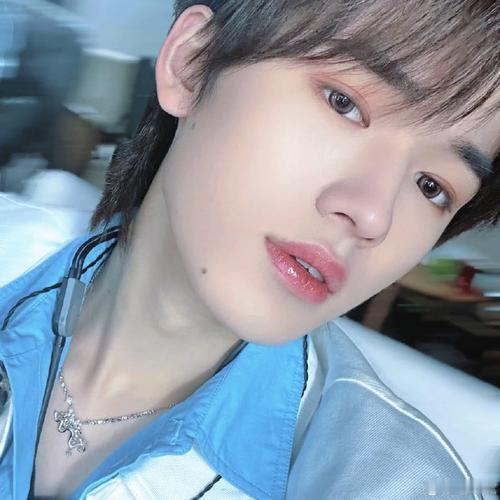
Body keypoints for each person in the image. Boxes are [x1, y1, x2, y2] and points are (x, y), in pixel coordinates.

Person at [0, 0, 499, 498]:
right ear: (192, 63)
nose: (374, 216)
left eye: (432, 187)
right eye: (343, 103)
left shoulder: (385, 485)